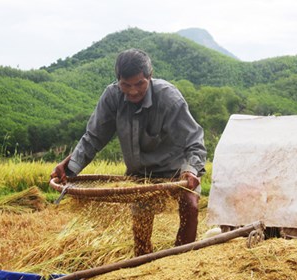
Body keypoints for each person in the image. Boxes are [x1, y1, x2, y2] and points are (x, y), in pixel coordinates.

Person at [51, 48, 206, 256]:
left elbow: (194, 140)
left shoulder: (168, 98)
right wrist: (69, 168)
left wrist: (191, 171)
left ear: (149, 77)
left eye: (139, 84)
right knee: (141, 231)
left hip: (176, 172)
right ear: (118, 81)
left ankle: (180, 260)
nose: (133, 91)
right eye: (126, 85)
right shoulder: (112, 97)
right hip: (139, 176)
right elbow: (94, 138)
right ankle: (141, 263)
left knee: (191, 205)